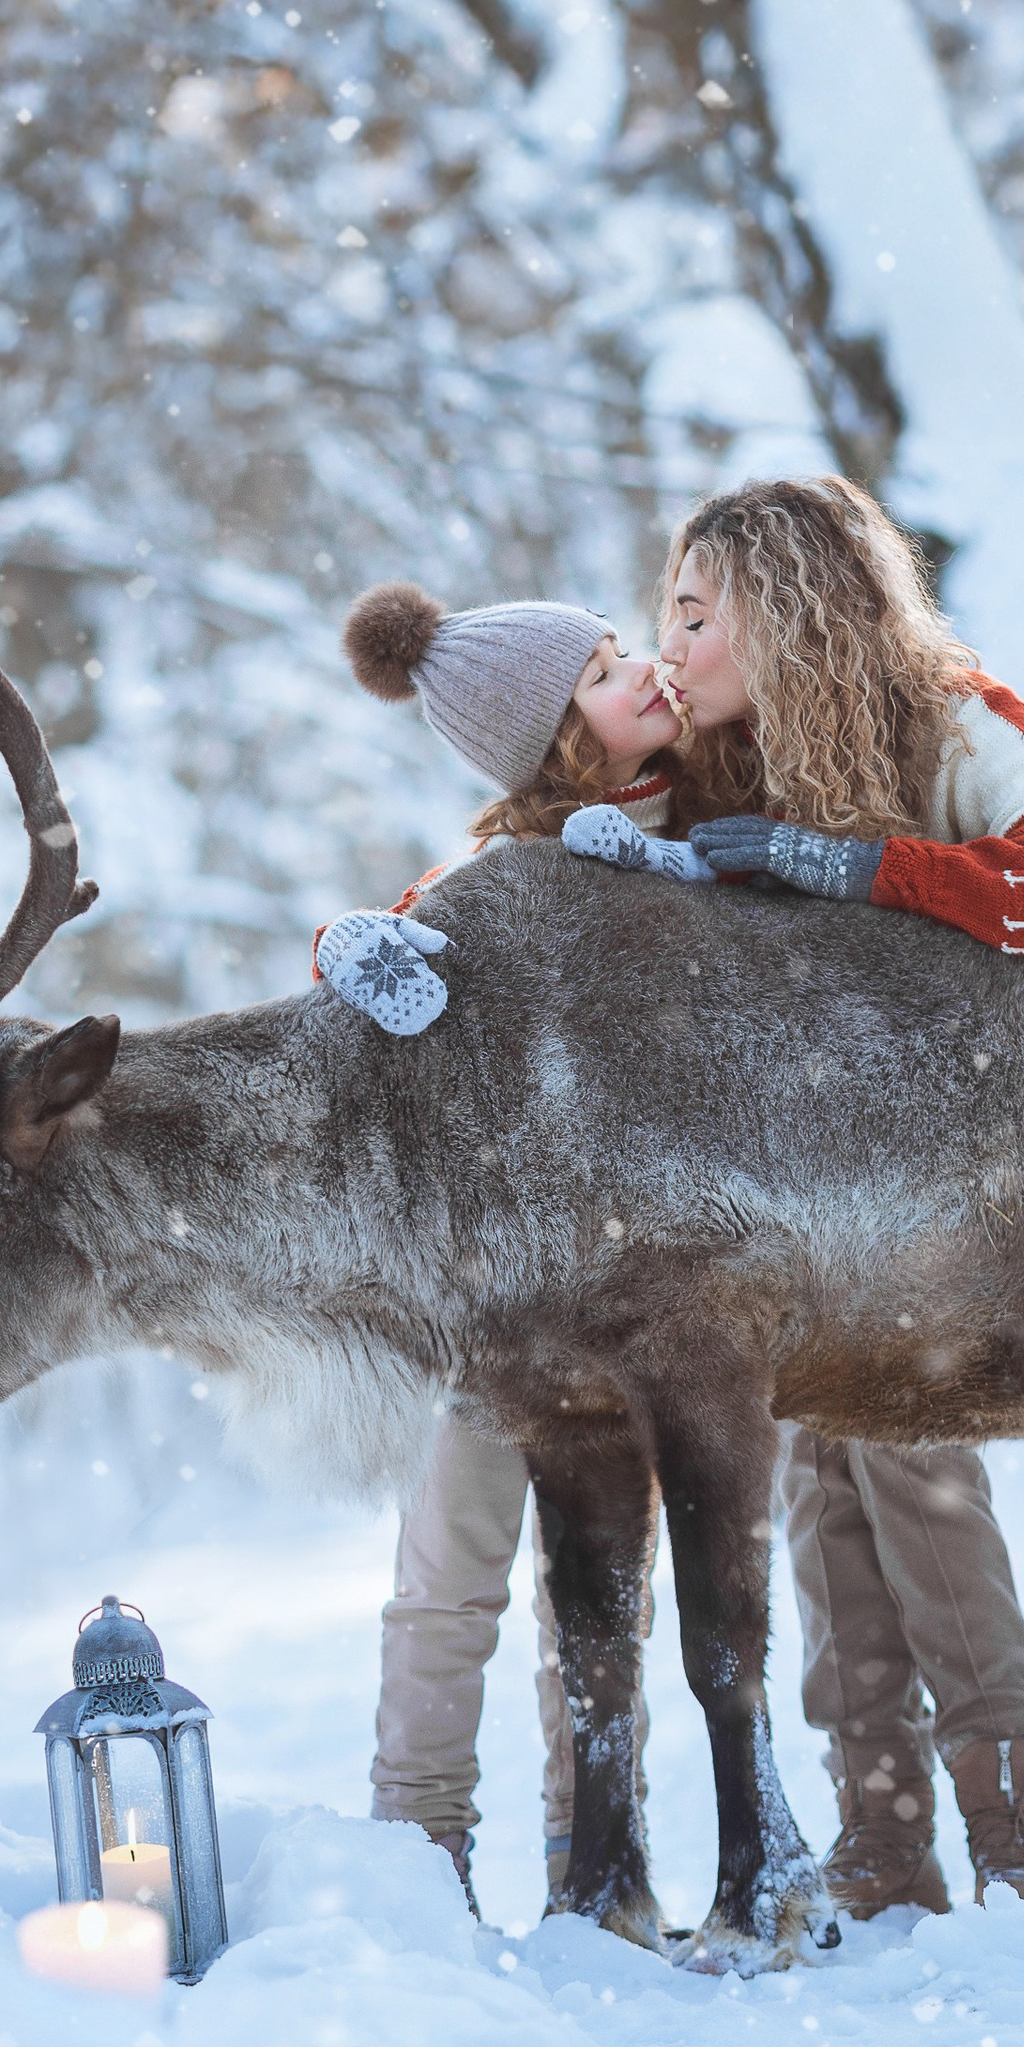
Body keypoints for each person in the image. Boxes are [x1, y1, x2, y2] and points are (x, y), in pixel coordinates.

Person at [568, 473, 1024, 1915]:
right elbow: (528, 840)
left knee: (913, 1467)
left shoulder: (948, 715)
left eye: (697, 617)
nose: (673, 652)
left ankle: (1016, 1849)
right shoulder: (720, 763)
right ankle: (886, 1848)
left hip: (981, 1176)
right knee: (821, 1483)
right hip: (806, 1207)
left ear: (785, 615)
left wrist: (864, 868)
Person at [314, 581, 686, 1912]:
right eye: (601, 669)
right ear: (550, 741)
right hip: (479, 1301)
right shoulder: (494, 886)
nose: (642, 668)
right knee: (444, 1589)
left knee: (600, 1607)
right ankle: (416, 1866)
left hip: (630, 1306)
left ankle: (599, 1869)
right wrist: (351, 949)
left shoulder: (707, 835)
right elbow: (380, 974)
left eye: (621, 645)